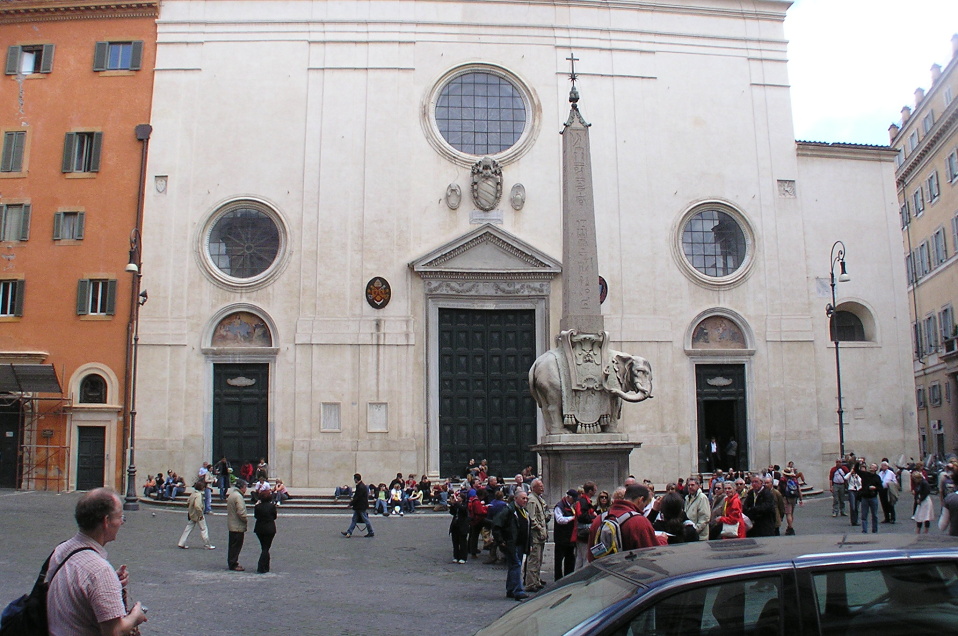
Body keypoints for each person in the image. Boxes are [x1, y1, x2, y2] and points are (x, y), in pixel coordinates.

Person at [46, 488, 148, 636]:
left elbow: (76, 589)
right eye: (120, 517)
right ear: (106, 521)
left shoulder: (61, 550)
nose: (121, 522)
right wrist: (135, 616)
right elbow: (115, 632)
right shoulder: (100, 571)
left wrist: (112, 582)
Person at [587, 484, 658, 560]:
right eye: (645, 504)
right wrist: (662, 539)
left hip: (603, 569)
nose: (644, 508)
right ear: (640, 500)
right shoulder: (639, 522)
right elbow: (651, 553)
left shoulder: (599, 519)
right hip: (629, 570)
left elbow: (591, 555)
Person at [491, 490, 531, 601]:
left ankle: (511, 589)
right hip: (512, 543)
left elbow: (528, 527)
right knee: (516, 565)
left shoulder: (524, 511)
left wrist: (529, 542)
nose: (525, 500)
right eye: (523, 498)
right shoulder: (509, 511)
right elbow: (496, 525)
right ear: (516, 499)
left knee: (513, 566)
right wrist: (501, 541)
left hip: (521, 543)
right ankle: (518, 590)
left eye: (526, 498)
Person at [525, 479, 549, 593]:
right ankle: (531, 583)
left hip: (541, 535)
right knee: (534, 559)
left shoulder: (539, 499)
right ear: (533, 487)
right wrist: (539, 528)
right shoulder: (532, 500)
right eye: (540, 486)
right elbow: (532, 518)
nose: (542, 488)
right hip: (536, 535)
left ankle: (536, 580)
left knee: (539, 559)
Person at [178, 480, 215, 550]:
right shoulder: (198, 495)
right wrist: (200, 514)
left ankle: (181, 543)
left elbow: (188, 502)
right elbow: (197, 506)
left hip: (192, 514)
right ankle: (207, 544)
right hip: (198, 515)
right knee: (204, 529)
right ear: (202, 488)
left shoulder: (193, 494)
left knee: (188, 529)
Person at [553, 490, 578, 581]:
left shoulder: (572, 506)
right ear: (568, 497)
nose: (574, 501)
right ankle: (558, 579)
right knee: (559, 560)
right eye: (573, 499)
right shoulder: (559, 506)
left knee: (570, 559)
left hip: (570, 538)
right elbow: (559, 519)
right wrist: (572, 518)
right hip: (561, 538)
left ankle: (568, 577)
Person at [252, 486, 277, 573]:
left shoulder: (257, 507)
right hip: (270, 528)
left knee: (264, 547)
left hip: (259, 528)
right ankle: (262, 566)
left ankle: (265, 566)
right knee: (266, 548)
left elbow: (256, 516)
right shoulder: (272, 506)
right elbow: (274, 517)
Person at [341, 473, 374, 538]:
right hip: (359, 506)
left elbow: (357, 497)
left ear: (356, 479)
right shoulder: (361, 485)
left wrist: (350, 504)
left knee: (365, 519)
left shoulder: (360, 487)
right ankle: (349, 532)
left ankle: (371, 532)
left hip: (360, 506)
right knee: (354, 519)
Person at [574, 482, 597, 570]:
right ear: (590, 491)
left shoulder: (583, 501)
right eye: (594, 490)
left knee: (579, 558)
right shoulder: (584, 501)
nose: (595, 492)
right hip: (584, 532)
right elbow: (582, 516)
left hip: (580, 532)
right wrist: (594, 517)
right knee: (586, 557)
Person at [227, 479, 249, 571]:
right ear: (242, 487)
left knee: (232, 545)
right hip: (237, 525)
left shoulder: (232, 495)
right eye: (245, 487)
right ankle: (233, 563)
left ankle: (232, 562)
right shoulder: (238, 497)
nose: (246, 489)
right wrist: (245, 519)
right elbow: (241, 511)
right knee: (236, 546)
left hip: (232, 524)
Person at [859, 463, 882, 533]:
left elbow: (880, 488)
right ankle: (864, 530)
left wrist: (875, 488)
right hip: (865, 497)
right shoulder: (865, 475)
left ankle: (875, 530)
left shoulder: (877, 477)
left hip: (873, 497)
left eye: (873, 466)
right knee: (864, 515)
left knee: (874, 515)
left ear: (875, 469)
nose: (871, 467)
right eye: (870, 466)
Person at [448, 490, 470, 563]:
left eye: (459, 497)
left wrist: (456, 503)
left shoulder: (465, 504)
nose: (457, 498)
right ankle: (456, 556)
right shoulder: (457, 505)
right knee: (455, 542)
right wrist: (452, 505)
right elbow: (452, 512)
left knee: (462, 542)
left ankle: (463, 557)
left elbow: (463, 510)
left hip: (463, 525)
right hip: (455, 525)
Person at [780, 467, 803, 535]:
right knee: (791, 513)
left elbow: (779, 489)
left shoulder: (783, 480)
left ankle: (790, 528)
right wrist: (801, 499)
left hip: (786, 498)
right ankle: (789, 527)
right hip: (794, 497)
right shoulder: (795, 480)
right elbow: (799, 490)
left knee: (788, 514)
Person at [467, 488, 488, 559]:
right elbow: (480, 512)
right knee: (475, 536)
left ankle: (472, 550)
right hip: (477, 520)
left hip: (473, 520)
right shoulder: (476, 501)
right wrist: (486, 509)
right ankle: (473, 551)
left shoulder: (473, 499)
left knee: (473, 536)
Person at [846, 462, 863, 526]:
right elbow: (845, 478)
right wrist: (850, 473)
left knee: (856, 507)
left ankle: (855, 521)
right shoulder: (849, 475)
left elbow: (860, 484)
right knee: (852, 506)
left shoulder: (858, 476)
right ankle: (852, 520)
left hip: (857, 491)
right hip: (851, 490)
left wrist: (857, 477)